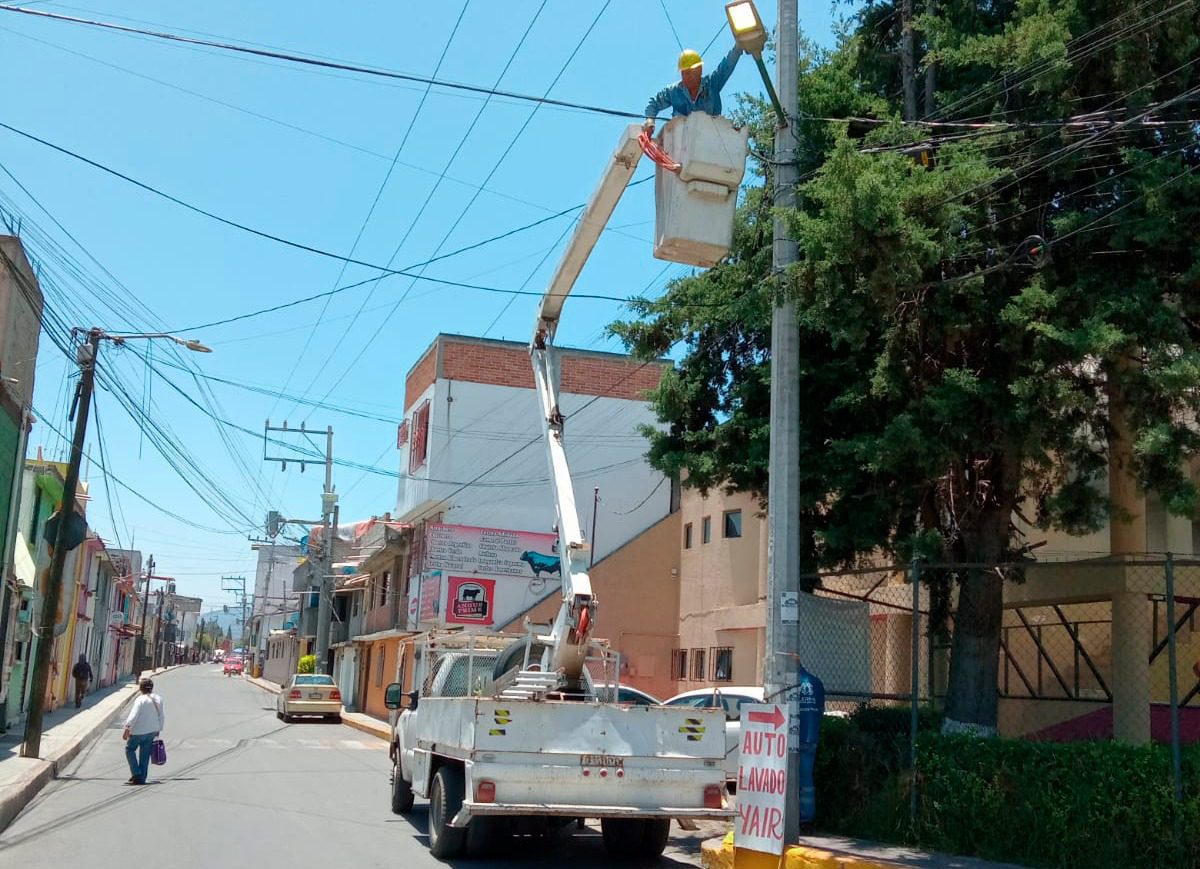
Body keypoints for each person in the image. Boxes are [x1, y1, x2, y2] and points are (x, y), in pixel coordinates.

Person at [643, 47, 745, 134]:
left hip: (710, 139)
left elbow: (727, 65)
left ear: (699, 70)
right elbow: (654, 103)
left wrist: (738, 47)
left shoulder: (712, 84)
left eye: (689, 72)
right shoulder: (674, 91)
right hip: (683, 146)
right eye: (684, 73)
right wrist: (650, 120)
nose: (686, 77)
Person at [122, 677, 164, 785]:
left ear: (141, 688)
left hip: (137, 731)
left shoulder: (140, 699)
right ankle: (141, 778)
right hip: (151, 731)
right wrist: (159, 728)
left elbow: (133, 715)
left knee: (129, 749)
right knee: (145, 755)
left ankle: (136, 772)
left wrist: (127, 727)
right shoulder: (158, 699)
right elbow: (161, 716)